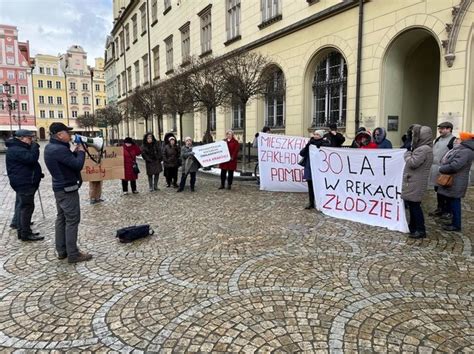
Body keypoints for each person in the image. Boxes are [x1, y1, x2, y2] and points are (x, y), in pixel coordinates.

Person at [44, 122, 92, 263]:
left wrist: (74, 152)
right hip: (67, 189)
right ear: (59, 135)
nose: (70, 135)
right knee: (72, 220)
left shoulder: (51, 147)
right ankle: (73, 253)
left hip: (60, 188)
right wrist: (82, 151)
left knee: (62, 219)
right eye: (67, 132)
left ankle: (62, 250)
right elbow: (77, 165)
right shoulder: (59, 149)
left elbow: (68, 162)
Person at [6, 129, 44, 241]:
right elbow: (31, 159)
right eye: (29, 138)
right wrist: (35, 147)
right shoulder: (17, 149)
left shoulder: (17, 148)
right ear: (21, 138)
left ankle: (23, 229)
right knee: (26, 208)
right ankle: (25, 233)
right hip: (24, 183)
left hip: (24, 181)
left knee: (24, 206)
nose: (31, 140)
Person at [401, 125, 433, 239]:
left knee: (415, 206)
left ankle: (420, 229)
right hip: (414, 180)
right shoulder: (424, 148)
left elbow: (413, 163)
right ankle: (413, 227)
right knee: (413, 205)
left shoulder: (423, 149)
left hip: (416, 181)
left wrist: (407, 154)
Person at [437, 132, 474, 232]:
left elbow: (455, 166)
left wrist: (442, 169)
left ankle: (456, 225)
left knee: (455, 203)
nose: (456, 140)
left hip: (456, 181)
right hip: (454, 180)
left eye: (459, 138)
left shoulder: (465, 151)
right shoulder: (463, 150)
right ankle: (454, 222)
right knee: (452, 202)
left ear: (464, 140)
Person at [429, 121, 456, 218]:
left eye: (442, 128)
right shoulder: (437, 139)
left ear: (449, 129)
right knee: (437, 189)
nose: (440, 130)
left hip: (445, 170)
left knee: (446, 190)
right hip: (435, 169)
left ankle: (447, 211)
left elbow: (454, 155)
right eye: (439, 128)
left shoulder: (453, 140)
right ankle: (440, 208)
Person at [299, 130, 330, 209]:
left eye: (318, 135)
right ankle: (311, 202)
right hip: (310, 168)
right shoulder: (310, 143)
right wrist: (307, 146)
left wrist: (321, 144)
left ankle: (321, 202)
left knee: (320, 186)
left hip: (320, 169)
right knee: (310, 187)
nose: (315, 136)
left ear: (321, 136)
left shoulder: (325, 143)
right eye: (315, 134)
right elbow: (302, 153)